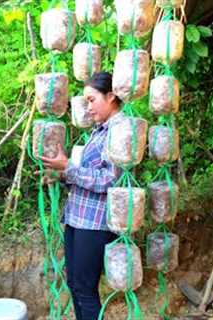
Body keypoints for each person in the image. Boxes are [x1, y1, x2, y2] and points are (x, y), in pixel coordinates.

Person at [40, 72, 123, 320]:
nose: (88, 107)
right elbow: (84, 175)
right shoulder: (98, 131)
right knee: (75, 285)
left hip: (95, 222)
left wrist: (70, 169)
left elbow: (112, 179)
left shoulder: (119, 130)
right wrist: (61, 175)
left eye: (91, 100)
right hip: (77, 217)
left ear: (111, 96)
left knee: (85, 288)